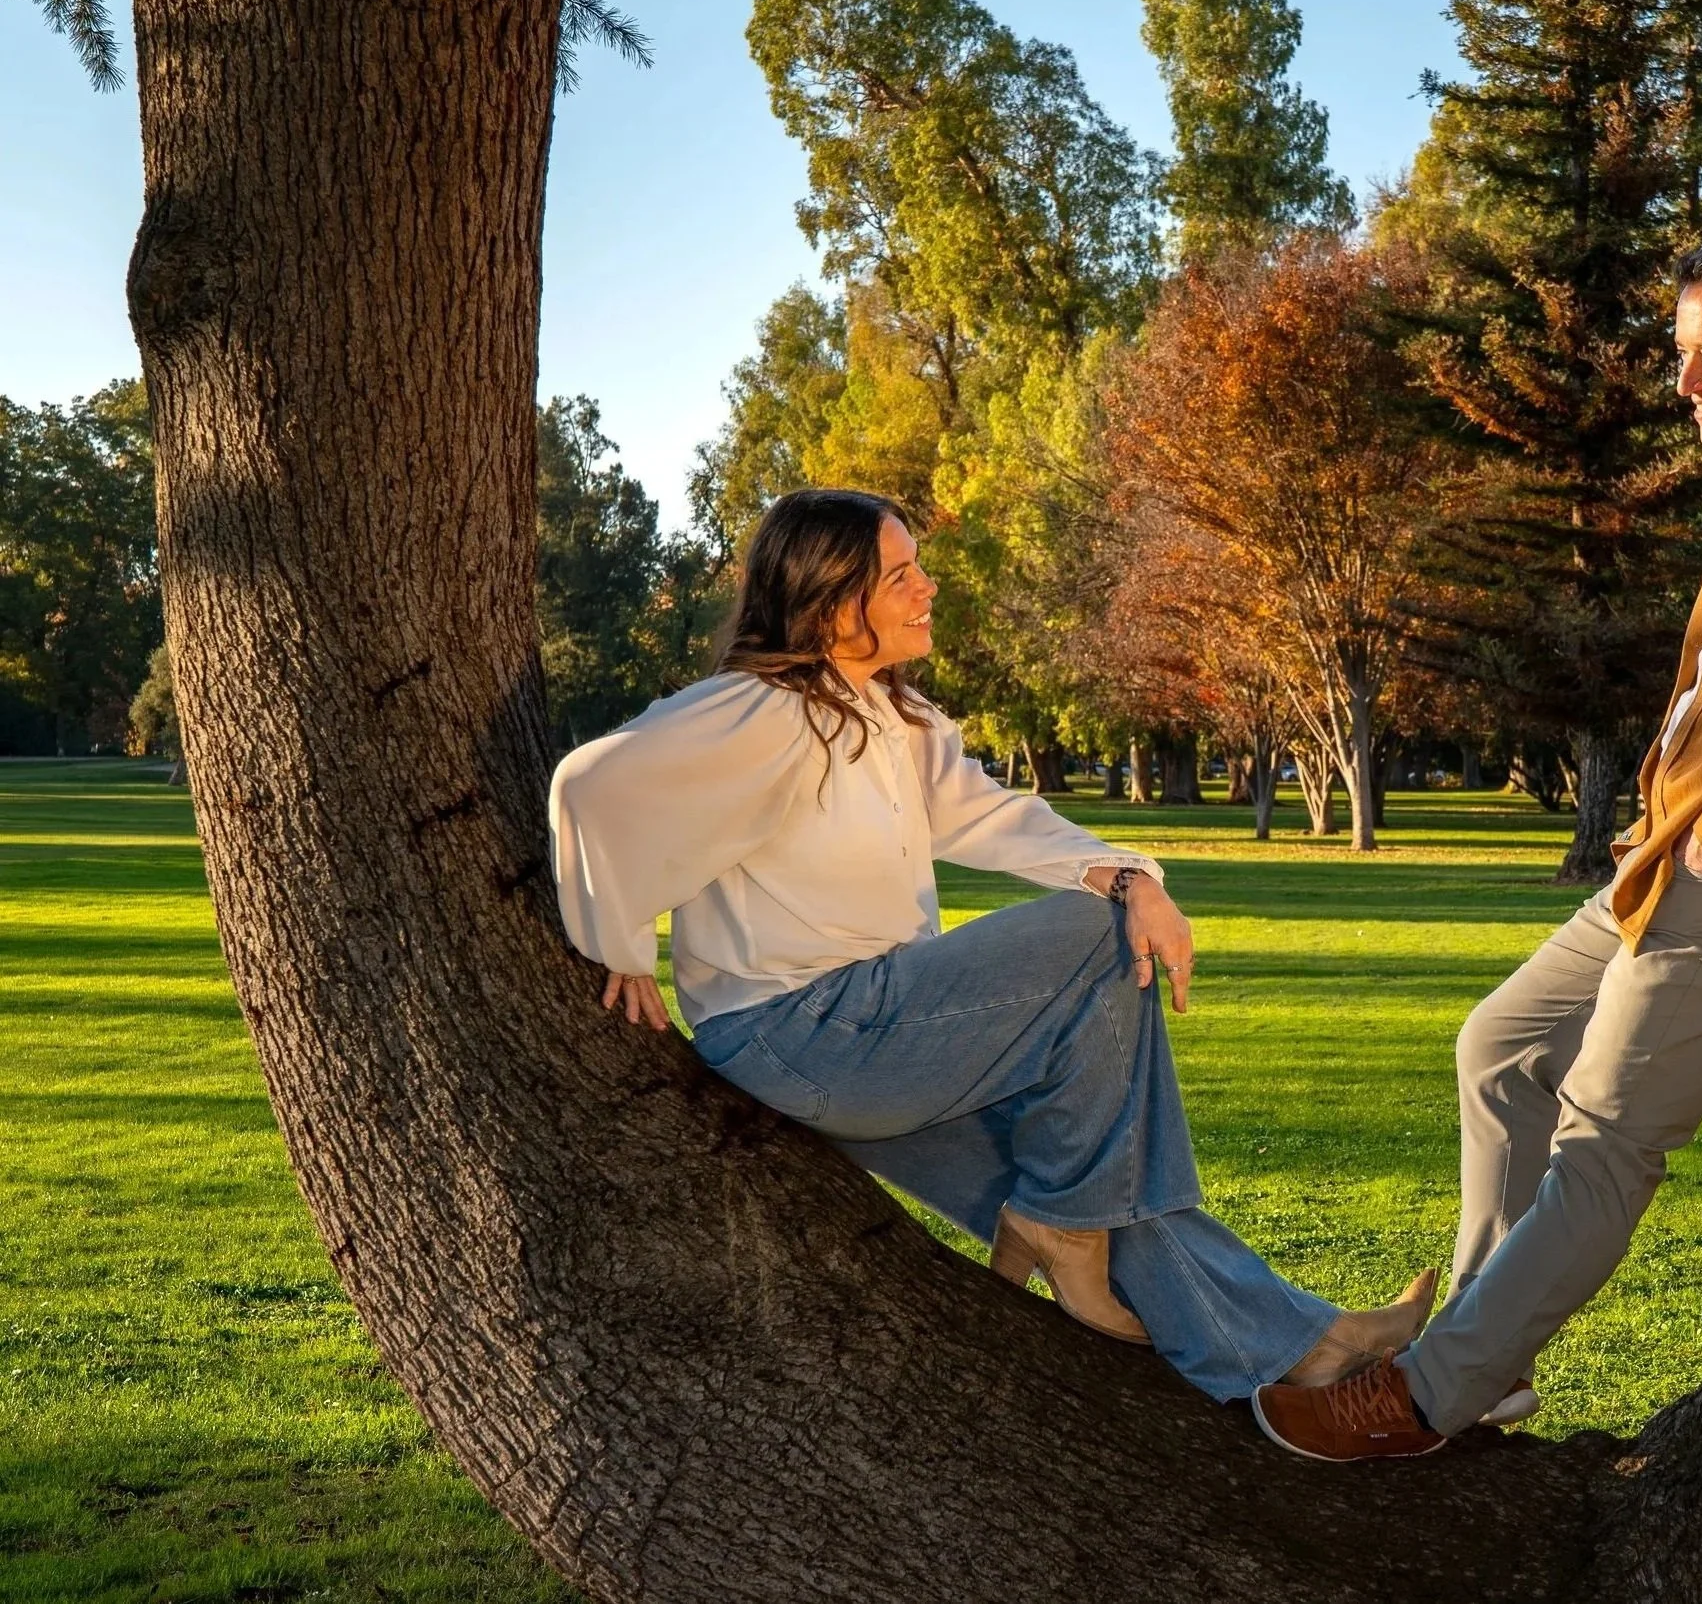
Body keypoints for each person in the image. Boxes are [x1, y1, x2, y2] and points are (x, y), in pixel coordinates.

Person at [1252, 236, 1702, 1459]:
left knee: (1601, 1145)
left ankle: (1428, 1396)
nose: (1688, 385)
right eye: (1682, 359)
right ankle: (1490, 1357)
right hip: (1667, 858)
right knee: (1500, 1050)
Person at [548, 488, 1431, 1404]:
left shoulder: (897, 718)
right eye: (899, 576)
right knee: (1098, 952)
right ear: (829, 601)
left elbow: (995, 818)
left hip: (884, 1040)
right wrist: (616, 943)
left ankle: (1295, 1351)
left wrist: (1128, 873)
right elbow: (591, 783)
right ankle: (1066, 1228)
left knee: (1097, 1179)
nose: (926, 587)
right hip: (801, 1033)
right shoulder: (763, 710)